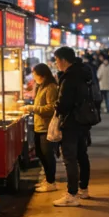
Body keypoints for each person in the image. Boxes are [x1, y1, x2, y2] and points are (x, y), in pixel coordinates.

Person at [52, 47, 93, 207]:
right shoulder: (84, 73)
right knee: (82, 155)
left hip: (71, 122)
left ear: (63, 60)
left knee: (70, 158)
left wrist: (56, 107)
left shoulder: (69, 78)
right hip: (83, 120)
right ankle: (84, 189)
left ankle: (72, 194)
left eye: (57, 60)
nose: (56, 63)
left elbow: (64, 103)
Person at [24, 63, 59, 193]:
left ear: (42, 76)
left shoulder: (51, 87)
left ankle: (51, 182)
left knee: (47, 155)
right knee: (40, 153)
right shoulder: (41, 86)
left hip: (46, 127)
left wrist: (32, 108)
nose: (33, 77)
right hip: (39, 126)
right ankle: (48, 179)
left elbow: (51, 108)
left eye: (35, 75)